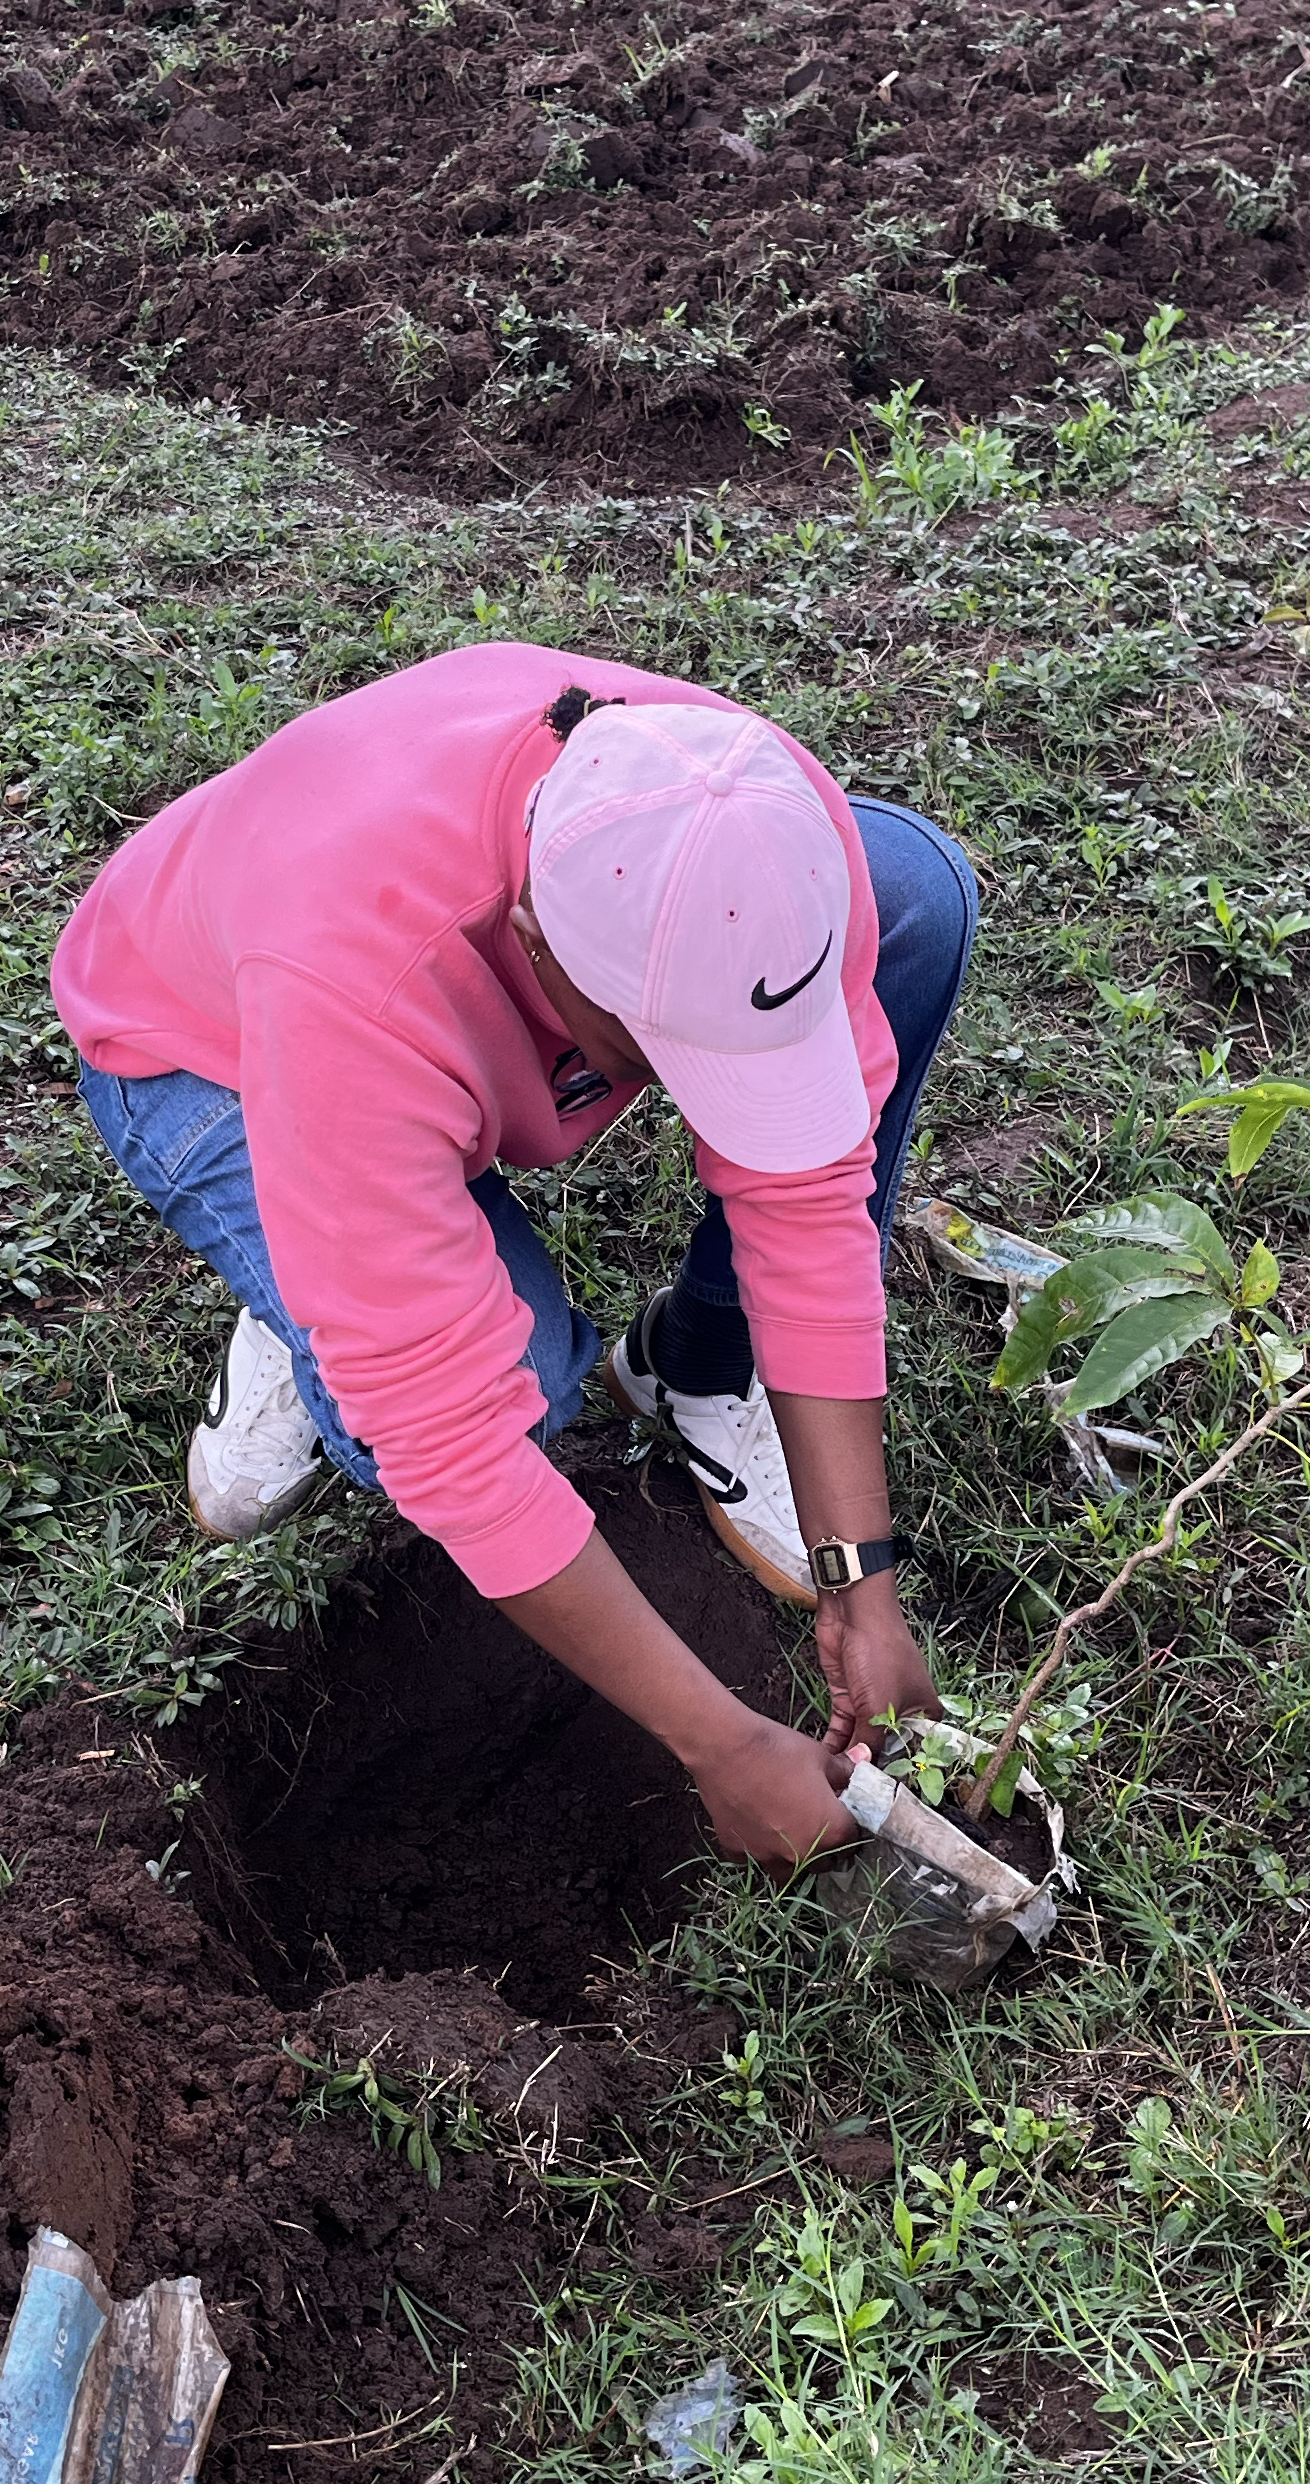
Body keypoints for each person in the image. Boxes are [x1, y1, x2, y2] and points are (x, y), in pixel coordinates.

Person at [51, 644, 978, 1877]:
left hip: (399, 1024)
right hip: (204, 1044)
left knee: (912, 888)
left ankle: (695, 1359)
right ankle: (304, 1286)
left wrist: (859, 1580)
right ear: (537, 937)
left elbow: (806, 1192)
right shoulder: (348, 986)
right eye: (664, 1051)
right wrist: (716, 1742)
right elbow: (455, 1440)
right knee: (518, 1380)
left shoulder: (748, 819)